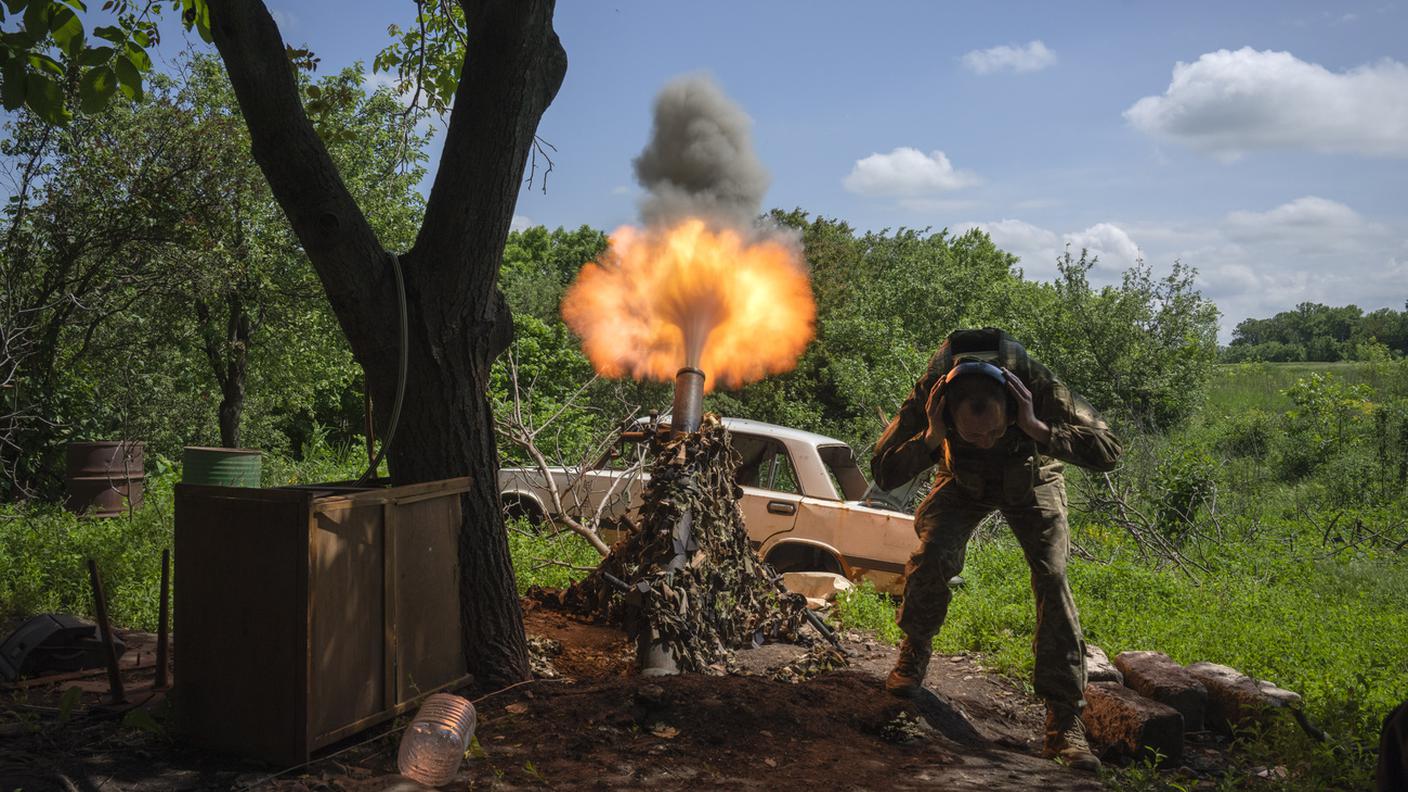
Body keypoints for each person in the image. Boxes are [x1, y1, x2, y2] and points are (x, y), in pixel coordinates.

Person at [871, 327, 1122, 771]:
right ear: (948, 413)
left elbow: (1108, 448)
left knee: (1053, 577)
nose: (984, 441)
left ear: (1014, 403)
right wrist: (932, 438)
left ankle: (1064, 723)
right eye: (973, 435)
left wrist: (1037, 428)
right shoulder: (933, 390)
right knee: (932, 556)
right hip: (959, 480)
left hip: (1031, 477)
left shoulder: (1036, 384)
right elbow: (884, 469)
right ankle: (915, 649)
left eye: (992, 433)